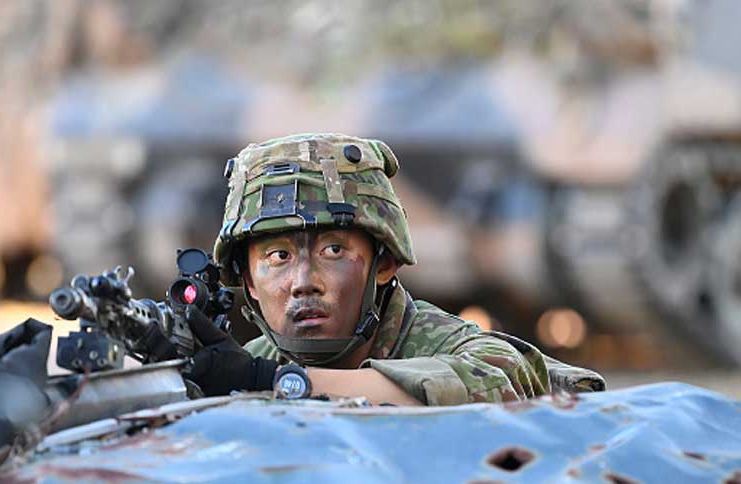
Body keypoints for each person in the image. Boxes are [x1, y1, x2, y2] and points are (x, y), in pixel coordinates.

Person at [185, 133, 604, 406]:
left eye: (333, 250)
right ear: (248, 282)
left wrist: (277, 382)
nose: (303, 283)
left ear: (383, 264)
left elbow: (498, 378)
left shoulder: (442, 344)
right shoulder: (251, 363)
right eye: (278, 258)